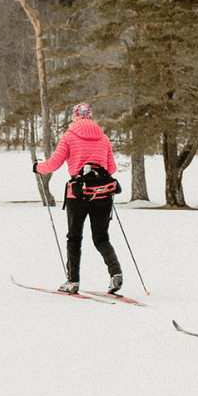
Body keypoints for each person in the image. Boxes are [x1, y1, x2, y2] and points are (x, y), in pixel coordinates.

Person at [33, 103, 123, 294]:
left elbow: (54, 163)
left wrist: (38, 167)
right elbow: (112, 168)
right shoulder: (104, 138)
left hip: (78, 194)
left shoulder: (69, 136)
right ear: (91, 116)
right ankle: (115, 274)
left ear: (75, 117)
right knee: (101, 238)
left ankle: (73, 281)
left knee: (74, 237)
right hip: (103, 193)